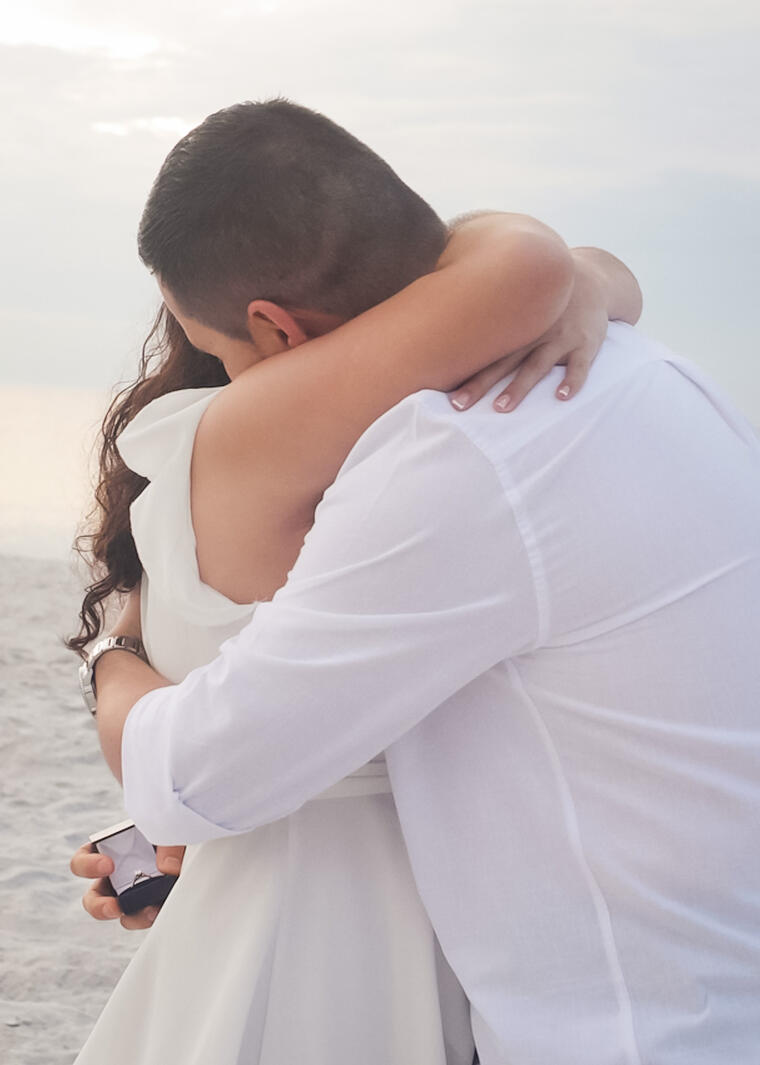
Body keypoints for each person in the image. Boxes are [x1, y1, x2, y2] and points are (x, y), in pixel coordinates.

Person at [72, 99, 760, 1062]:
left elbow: (200, 772)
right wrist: (584, 272)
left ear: (271, 328)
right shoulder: (663, 378)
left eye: (230, 358)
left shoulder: (446, 459)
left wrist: (112, 657)